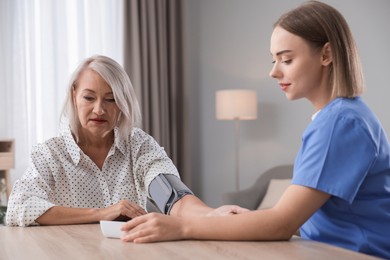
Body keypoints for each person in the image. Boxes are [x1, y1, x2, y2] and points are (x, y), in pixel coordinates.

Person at [119, 1, 390, 258]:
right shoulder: (340, 117)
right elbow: (310, 218)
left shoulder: (340, 123)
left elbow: (282, 223)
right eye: (273, 60)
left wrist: (180, 227)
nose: (273, 72)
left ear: (326, 55)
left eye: (286, 59)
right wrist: (250, 219)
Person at [6, 55, 246, 227]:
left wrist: (210, 214)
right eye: (89, 97)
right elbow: (18, 208)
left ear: (123, 103)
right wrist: (101, 213)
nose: (99, 109)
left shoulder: (139, 146)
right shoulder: (50, 153)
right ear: (74, 95)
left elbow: (171, 194)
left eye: (111, 99)